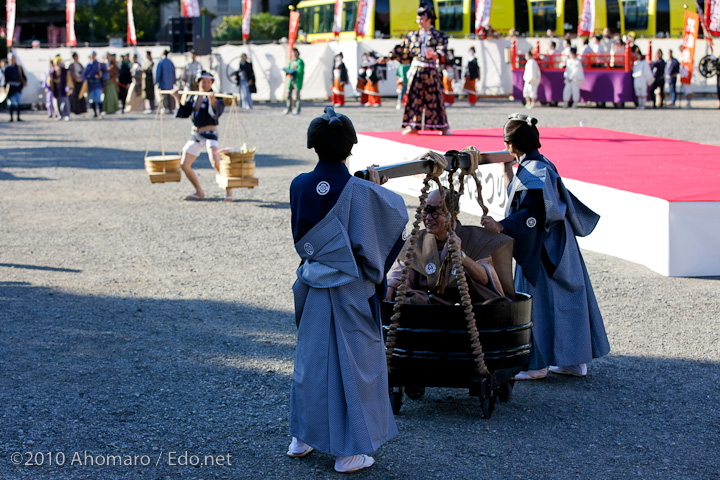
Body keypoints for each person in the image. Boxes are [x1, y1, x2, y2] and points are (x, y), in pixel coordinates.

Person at [288, 106, 408, 474]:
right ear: (350, 146)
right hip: (350, 289)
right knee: (355, 366)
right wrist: (372, 188)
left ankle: (302, 437)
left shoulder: (298, 185)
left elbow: (304, 235)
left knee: (311, 362)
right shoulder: (360, 190)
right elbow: (395, 222)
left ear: (314, 146)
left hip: (312, 282)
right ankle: (348, 451)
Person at [481, 113, 610, 380]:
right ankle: (574, 362)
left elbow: (530, 216)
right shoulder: (541, 164)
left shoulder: (534, 174)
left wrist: (501, 226)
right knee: (568, 300)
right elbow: (522, 201)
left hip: (542, 250)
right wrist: (507, 171)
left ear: (512, 146)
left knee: (536, 303)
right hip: (561, 245)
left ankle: (536, 364)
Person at [385, 189, 513, 306]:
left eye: (435, 213)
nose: (429, 218)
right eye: (426, 211)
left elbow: (485, 277)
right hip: (426, 311)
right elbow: (402, 272)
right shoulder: (417, 241)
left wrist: (461, 256)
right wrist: (391, 286)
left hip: (466, 312)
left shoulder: (476, 239)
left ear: (453, 215)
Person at [386, 1, 450, 135]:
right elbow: (402, 48)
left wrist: (436, 54)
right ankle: (413, 125)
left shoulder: (439, 35)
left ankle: (441, 126)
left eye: (421, 18)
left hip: (430, 69)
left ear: (429, 19)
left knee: (435, 98)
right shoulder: (413, 35)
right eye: (418, 18)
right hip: (416, 69)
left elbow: (443, 50)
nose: (419, 21)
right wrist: (389, 56)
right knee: (414, 98)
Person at [171, 71, 231, 201]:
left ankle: (229, 191)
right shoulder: (193, 96)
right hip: (196, 134)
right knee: (184, 164)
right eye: (203, 82)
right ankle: (199, 191)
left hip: (210, 134)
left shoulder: (215, 96)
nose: (206, 84)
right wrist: (176, 98)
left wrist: (213, 101)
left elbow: (216, 114)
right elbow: (183, 112)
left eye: (209, 82)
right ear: (198, 82)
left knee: (215, 162)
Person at [81, 51, 108, 118]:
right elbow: (84, 75)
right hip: (91, 84)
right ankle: (95, 113)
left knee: (99, 99)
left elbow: (105, 73)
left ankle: (101, 112)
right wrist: (85, 80)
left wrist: (101, 75)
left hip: (98, 83)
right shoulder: (88, 65)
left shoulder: (99, 65)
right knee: (92, 99)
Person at [4, 53, 27, 122]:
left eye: (13, 58)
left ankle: (18, 117)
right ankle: (11, 117)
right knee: (11, 103)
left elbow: (23, 76)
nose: (12, 60)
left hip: (18, 87)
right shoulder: (7, 68)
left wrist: (24, 82)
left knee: (18, 103)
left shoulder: (18, 67)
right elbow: (5, 79)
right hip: (10, 87)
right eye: (11, 59)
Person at [283, 48, 304, 115]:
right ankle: (289, 108)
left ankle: (298, 109)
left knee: (297, 95)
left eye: (295, 52)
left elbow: (300, 71)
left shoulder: (300, 61)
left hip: (297, 79)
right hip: (291, 79)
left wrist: (294, 71)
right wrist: (287, 71)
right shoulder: (291, 61)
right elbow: (289, 68)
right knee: (288, 94)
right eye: (293, 52)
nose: (294, 54)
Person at [51, 56, 72, 121]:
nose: (58, 64)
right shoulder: (52, 71)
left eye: (59, 62)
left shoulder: (64, 70)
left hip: (63, 87)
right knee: (56, 103)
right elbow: (50, 81)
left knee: (65, 102)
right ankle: (59, 115)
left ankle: (67, 115)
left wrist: (69, 87)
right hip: (55, 89)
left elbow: (68, 79)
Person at [156, 50, 177, 114]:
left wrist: (157, 81)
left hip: (163, 82)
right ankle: (171, 108)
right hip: (170, 83)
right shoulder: (170, 62)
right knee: (170, 95)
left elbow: (158, 73)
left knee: (164, 96)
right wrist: (174, 81)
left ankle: (165, 108)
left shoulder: (161, 62)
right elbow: (174, 72)